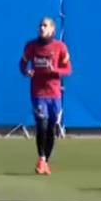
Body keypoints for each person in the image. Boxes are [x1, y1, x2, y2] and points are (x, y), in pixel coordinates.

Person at [19, 17, 72, 175]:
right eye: (40, 25)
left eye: (45, 25)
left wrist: (55, 70)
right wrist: (26, 71)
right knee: (41, 125)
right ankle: (41, 159)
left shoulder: (60, 47)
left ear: (52, 30)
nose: (41, 28)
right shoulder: (31, 46)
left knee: (51, 129)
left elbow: (68, 70)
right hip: (38, 93)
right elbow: (22, 64)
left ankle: (45, 161)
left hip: (55, 94)